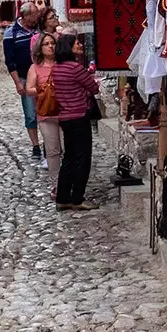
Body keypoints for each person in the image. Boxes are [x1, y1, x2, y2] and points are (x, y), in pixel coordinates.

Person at [52, 34, 100, 211]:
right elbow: (93, 87)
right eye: (77, 43)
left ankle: (63, 197)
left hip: (65, 117)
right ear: (69, 47)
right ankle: (78, 197)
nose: (80, 45)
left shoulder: (56, 69)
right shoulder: (75, 68)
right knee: (82, 158)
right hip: (79, 116)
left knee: (69, 158)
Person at [27, 32, 67, 197]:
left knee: (67, 149)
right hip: (46, 114)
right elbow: (28, 89)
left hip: (66, 113)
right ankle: (57, 184)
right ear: (40, 48)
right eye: (47, 44)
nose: (51, 46)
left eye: (53, 43)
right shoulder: (35, 68)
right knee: (52, 150)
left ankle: (68, 180)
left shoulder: (63, 64)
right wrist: (42, 89)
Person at [4, 4, 42, 164]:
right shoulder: (11, 33)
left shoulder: (39, 28)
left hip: (42, 76)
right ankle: (35, 145)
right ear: (25, 16)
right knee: (30, 113)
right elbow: (9, 61)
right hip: (25, 78)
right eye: (33, 16)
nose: (36, 19)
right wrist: (18, 83)